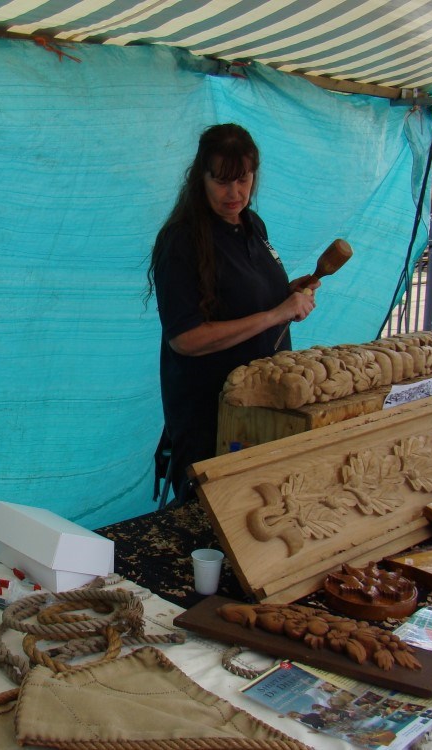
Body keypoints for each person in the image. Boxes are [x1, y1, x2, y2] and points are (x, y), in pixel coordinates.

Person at [147, 123, 319, 504]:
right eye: (221, 181)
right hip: (211, 415)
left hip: (265, 405)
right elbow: (186, 339)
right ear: (201, 177)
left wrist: (287, 294)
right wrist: (275, 314)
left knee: (265, 509)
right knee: (217, 515)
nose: (234, 193)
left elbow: (246, 296)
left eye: (243, 179)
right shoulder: (181, 242)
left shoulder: (252, 225)